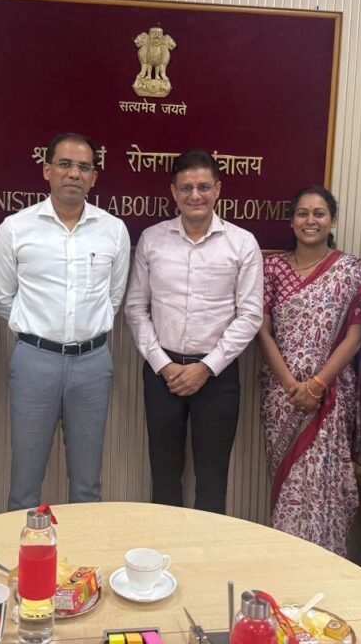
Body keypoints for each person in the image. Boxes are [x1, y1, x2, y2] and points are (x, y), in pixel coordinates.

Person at [0, 133, 130, 510]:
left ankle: (84, 550)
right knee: (25, 480)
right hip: (35, 361)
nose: (74, 173)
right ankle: (26, 550)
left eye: (84, 167)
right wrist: (40, 334)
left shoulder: (114, 230)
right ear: (47, 170)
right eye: (65, 164)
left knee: (87, 483)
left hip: (92, 362)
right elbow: (4, 297)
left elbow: (113, 297)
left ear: (94, 177)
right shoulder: (15, 228)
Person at [125, 150, 263, 514]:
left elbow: (250, 316)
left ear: (218, 189)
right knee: (164, 474)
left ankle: (206, 548)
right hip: (162, 374)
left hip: (217, 376)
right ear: (173, 192)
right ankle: (163, 547)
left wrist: (206, 367)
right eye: (186, 187)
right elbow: (135, 308)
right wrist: (163, 364)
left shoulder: (242, 243)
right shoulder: (152, 239)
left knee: (212, 478)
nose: (195, 195)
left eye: (203, 187)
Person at [256, 185, 361, 556]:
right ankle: (287, 561)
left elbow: (355, 337)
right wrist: (291, 384)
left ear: (332, 219)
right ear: (291, 221)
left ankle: (326, 564)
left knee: (327, 487)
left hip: (330, 396)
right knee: (289, 484)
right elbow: (262, 331)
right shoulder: (272, 268)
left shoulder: (355, 270)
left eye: (319, 213)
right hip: (283, 397)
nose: (310, 221)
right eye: (302, 213)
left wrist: (316, 384)